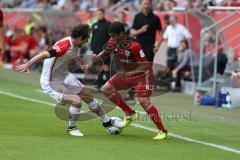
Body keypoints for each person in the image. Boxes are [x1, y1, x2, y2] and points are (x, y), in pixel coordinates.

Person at [14, 24, 123, 137]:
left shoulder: (73, 43)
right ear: (80, 38)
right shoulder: (64, 46)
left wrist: (82, 64)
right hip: (51, 81)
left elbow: (73, 53)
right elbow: (44, 54)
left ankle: (107, 122)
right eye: (86, 39)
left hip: (65, 76)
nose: (86, 42)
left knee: (88, 95)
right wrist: (27, 65)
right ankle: (72, 128)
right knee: (76, 101)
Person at [92, 22, 167, 140]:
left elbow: (146, 66)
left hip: (143, 74)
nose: (112, 38)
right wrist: (98, 57)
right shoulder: (113, 40)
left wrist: (128, 74)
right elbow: (107, 51)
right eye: (111, 36)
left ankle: (162, 131)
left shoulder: (134, 45)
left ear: (121, 34)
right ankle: (130, 113)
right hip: (127, 74)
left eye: (114, 36)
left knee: (143, 101)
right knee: (106, 89)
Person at [90, 9, 111, 90]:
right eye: (98, 14)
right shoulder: (94, 25)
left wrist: (109, 48)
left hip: (105, 50)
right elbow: (93, 38)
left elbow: (111, 38)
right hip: (96, 49)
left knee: (106, 67)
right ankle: (99, 84)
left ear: (104, 14)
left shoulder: (109, 25)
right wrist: (92, 49)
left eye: (100, 14)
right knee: (98, 67)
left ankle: (109, 85)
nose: (99, 15)